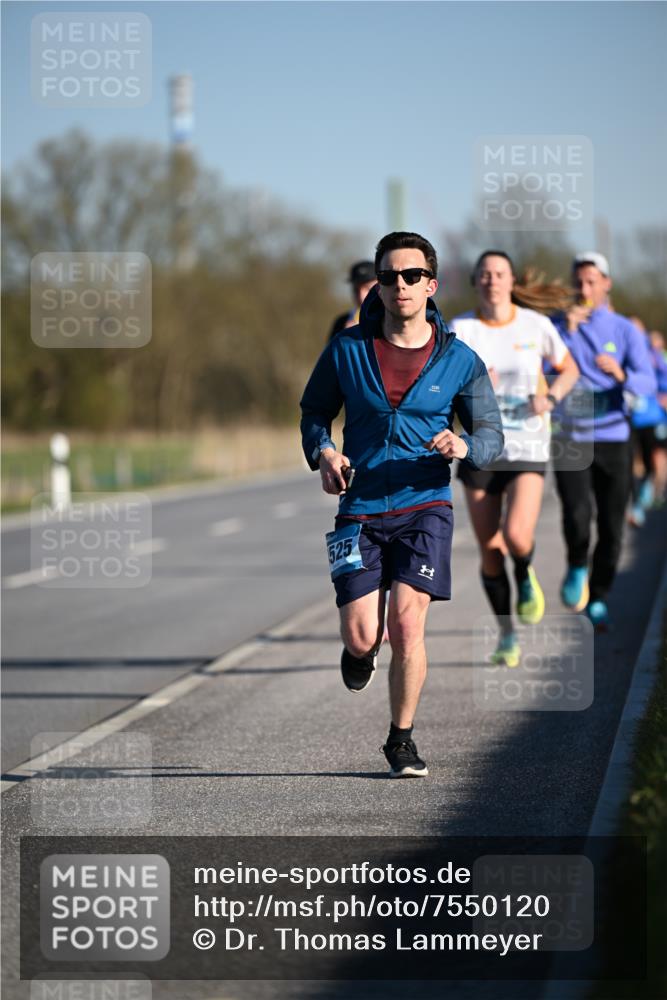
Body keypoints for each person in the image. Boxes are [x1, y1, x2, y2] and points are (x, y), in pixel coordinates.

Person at [301, 232, 503, 778]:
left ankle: (401, 740)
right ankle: (360, 652)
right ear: (379, 284)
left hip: (425, 504)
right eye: (389, 276)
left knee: (408, 625)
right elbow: (314, 413)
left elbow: (490, 431)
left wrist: (465, 445)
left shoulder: (458, 359)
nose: (400, 286)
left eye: (411, 275)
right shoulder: (346, 349)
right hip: (360, 508)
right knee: (364, 634)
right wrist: (323, 452)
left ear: (431, 284)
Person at [450, 251, 579, 667]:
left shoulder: (535, 325)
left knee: (517, 536)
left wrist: (551, 397)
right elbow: (439, 383)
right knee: (490, 549)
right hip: (478, 448)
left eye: (499, 273)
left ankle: (525, 573)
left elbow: (570, 368)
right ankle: (507, 634)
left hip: (527, 445)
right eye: (484, 274)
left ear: (510, 281)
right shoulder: (461, 329)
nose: (492, 280)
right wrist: (469, 384)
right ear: (476, 281)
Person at [549, 252, 657, 629]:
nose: (585, 289)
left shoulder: (626, 330)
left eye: (592, 282)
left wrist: (622, 374)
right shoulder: (557, 326)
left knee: (612, 526)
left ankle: (599, 596)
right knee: (578, 516)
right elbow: (543, 371)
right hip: (569, 435)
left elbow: (648, 381)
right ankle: (578, 562)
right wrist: (568, 331)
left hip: (613, 435)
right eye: (578, 282)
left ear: (606, 284)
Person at [327, 261, 377, 341]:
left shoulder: (392, 319)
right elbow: (331, 352)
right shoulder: (341, 322)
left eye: (368, 289)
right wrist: (343, 338)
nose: (361, 296)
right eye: (356, 290)